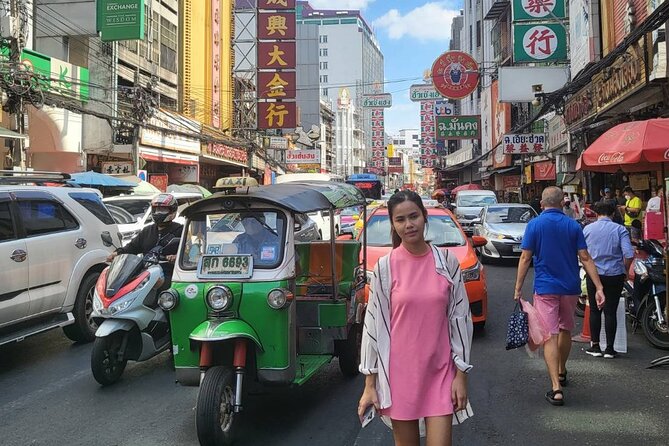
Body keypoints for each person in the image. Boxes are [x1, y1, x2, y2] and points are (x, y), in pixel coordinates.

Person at [358, 191, 473, 445]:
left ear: (424, 216)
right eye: (400, 220)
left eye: (413, 216)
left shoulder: (447, 263)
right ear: (393, 224)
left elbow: (460, 319)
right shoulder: (385, 268)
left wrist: (461, 374)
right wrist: (370, 383)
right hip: (399, 375)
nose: (409, 225)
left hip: (441, 371)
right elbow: (372, 327)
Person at [514, 186, 605, 406]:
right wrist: (599, 286)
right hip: (570, 287)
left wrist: (518, 288)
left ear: (542, 204)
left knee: (550, 336)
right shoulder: (573, 225)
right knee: (565, 328)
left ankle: (556, 387)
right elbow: (585, 257)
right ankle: (562, 370)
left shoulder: (534, 225)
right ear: (563, 203)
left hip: (546, 288)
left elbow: (526, 258)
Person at [583, 202, 634, 359]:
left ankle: (595, 346)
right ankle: (610, 349)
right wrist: (624, 270)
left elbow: (582, 253)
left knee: (594, 310)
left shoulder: (587, 229)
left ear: (597, 214)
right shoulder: (620, 229)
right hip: (615, 274)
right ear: (613, 214)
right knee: (610, 311)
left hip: (594, 274)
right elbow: (629, 254)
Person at [107, 193, 183, 287]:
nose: (158, 213)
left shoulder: (180, 230)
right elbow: (132, 247)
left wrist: (176, 257)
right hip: (146, 273)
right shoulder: (147, 231)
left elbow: (189, 252)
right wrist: (116, 253)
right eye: (156, 209)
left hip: (170, 274)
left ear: (172, 210)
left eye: (163, 210)